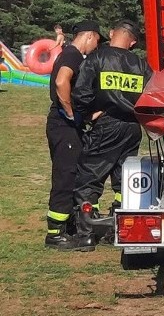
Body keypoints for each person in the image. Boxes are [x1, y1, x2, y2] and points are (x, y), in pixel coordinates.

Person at [70, 20, 153, 250]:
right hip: (132, 127)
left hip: (107, 124)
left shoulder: (97, 58)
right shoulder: (141, 64)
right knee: (123, 179)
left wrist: (87, 115)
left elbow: (81, 92)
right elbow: (152, 94)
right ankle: (118, 230)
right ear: (133, 42)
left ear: (111, 33)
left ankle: (85, 234)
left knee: (89, 176)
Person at [43, 21, 103, 249]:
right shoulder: (73, 55)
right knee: (65, 176)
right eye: (97, 41)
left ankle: (68, 226)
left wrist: (85, 116)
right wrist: (70, 112)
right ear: (89, 36)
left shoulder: (73, 55)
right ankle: (55, 234)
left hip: (69, 125)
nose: (96, 47)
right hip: (62, 125)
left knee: (75, 173)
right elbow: (61, 81)